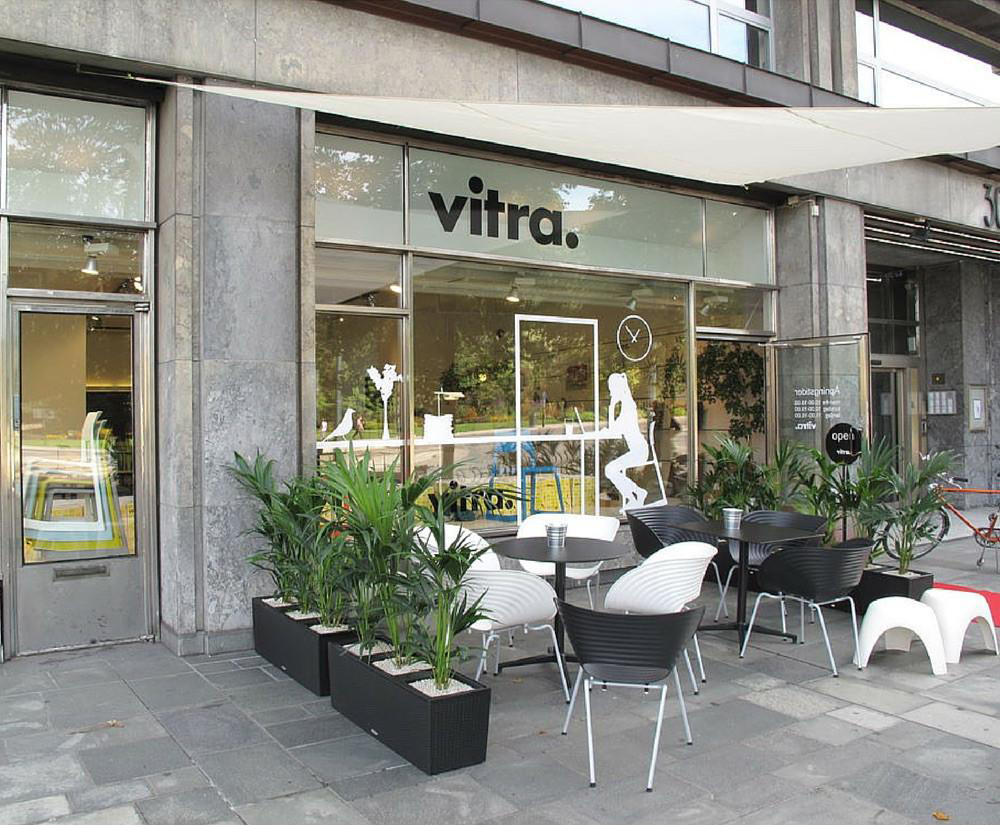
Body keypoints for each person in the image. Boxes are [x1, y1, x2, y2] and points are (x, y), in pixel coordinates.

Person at [600, 372, 649, 512]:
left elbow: (614, 429)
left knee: (610, 469)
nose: (611, 392)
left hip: (639, 451)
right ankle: (636, 494)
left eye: (612, 389)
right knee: (611, 469)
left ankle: (635, 496)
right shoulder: (626, 404)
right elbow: (614, 429)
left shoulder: (628, 406)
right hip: (636, 450)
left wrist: (611, 407)